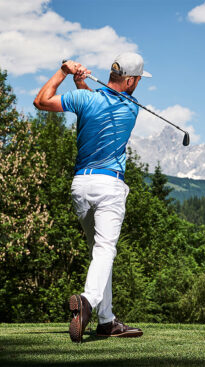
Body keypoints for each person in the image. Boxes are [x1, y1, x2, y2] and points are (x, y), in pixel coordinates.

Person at [33, 52, 150, 343]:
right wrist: (79, 82)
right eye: (138, 81)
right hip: (109, 185)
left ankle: (106, 320)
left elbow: (41, 101)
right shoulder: (132, 107)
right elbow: (104, 108)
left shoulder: (86, 100)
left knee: (99, 252)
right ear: (131, 80)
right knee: (106, 249)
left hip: (80, 186)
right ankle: (87, 302)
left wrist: (65, 73)